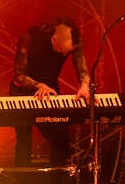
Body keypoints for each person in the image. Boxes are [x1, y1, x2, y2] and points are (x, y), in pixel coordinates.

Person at [8, 14, 91, 166]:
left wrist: (84, 86)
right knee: (24, 139)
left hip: (49, 91)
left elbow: (82, 70)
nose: (64, 54)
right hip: (23, 91)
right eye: (61, 50)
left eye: (67, 52)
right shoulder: (30, 37)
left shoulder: (74, 40)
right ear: (53, 39)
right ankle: (23, 180)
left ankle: (57, 179)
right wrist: (39, 85)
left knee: (60, 138)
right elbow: (18, 75)